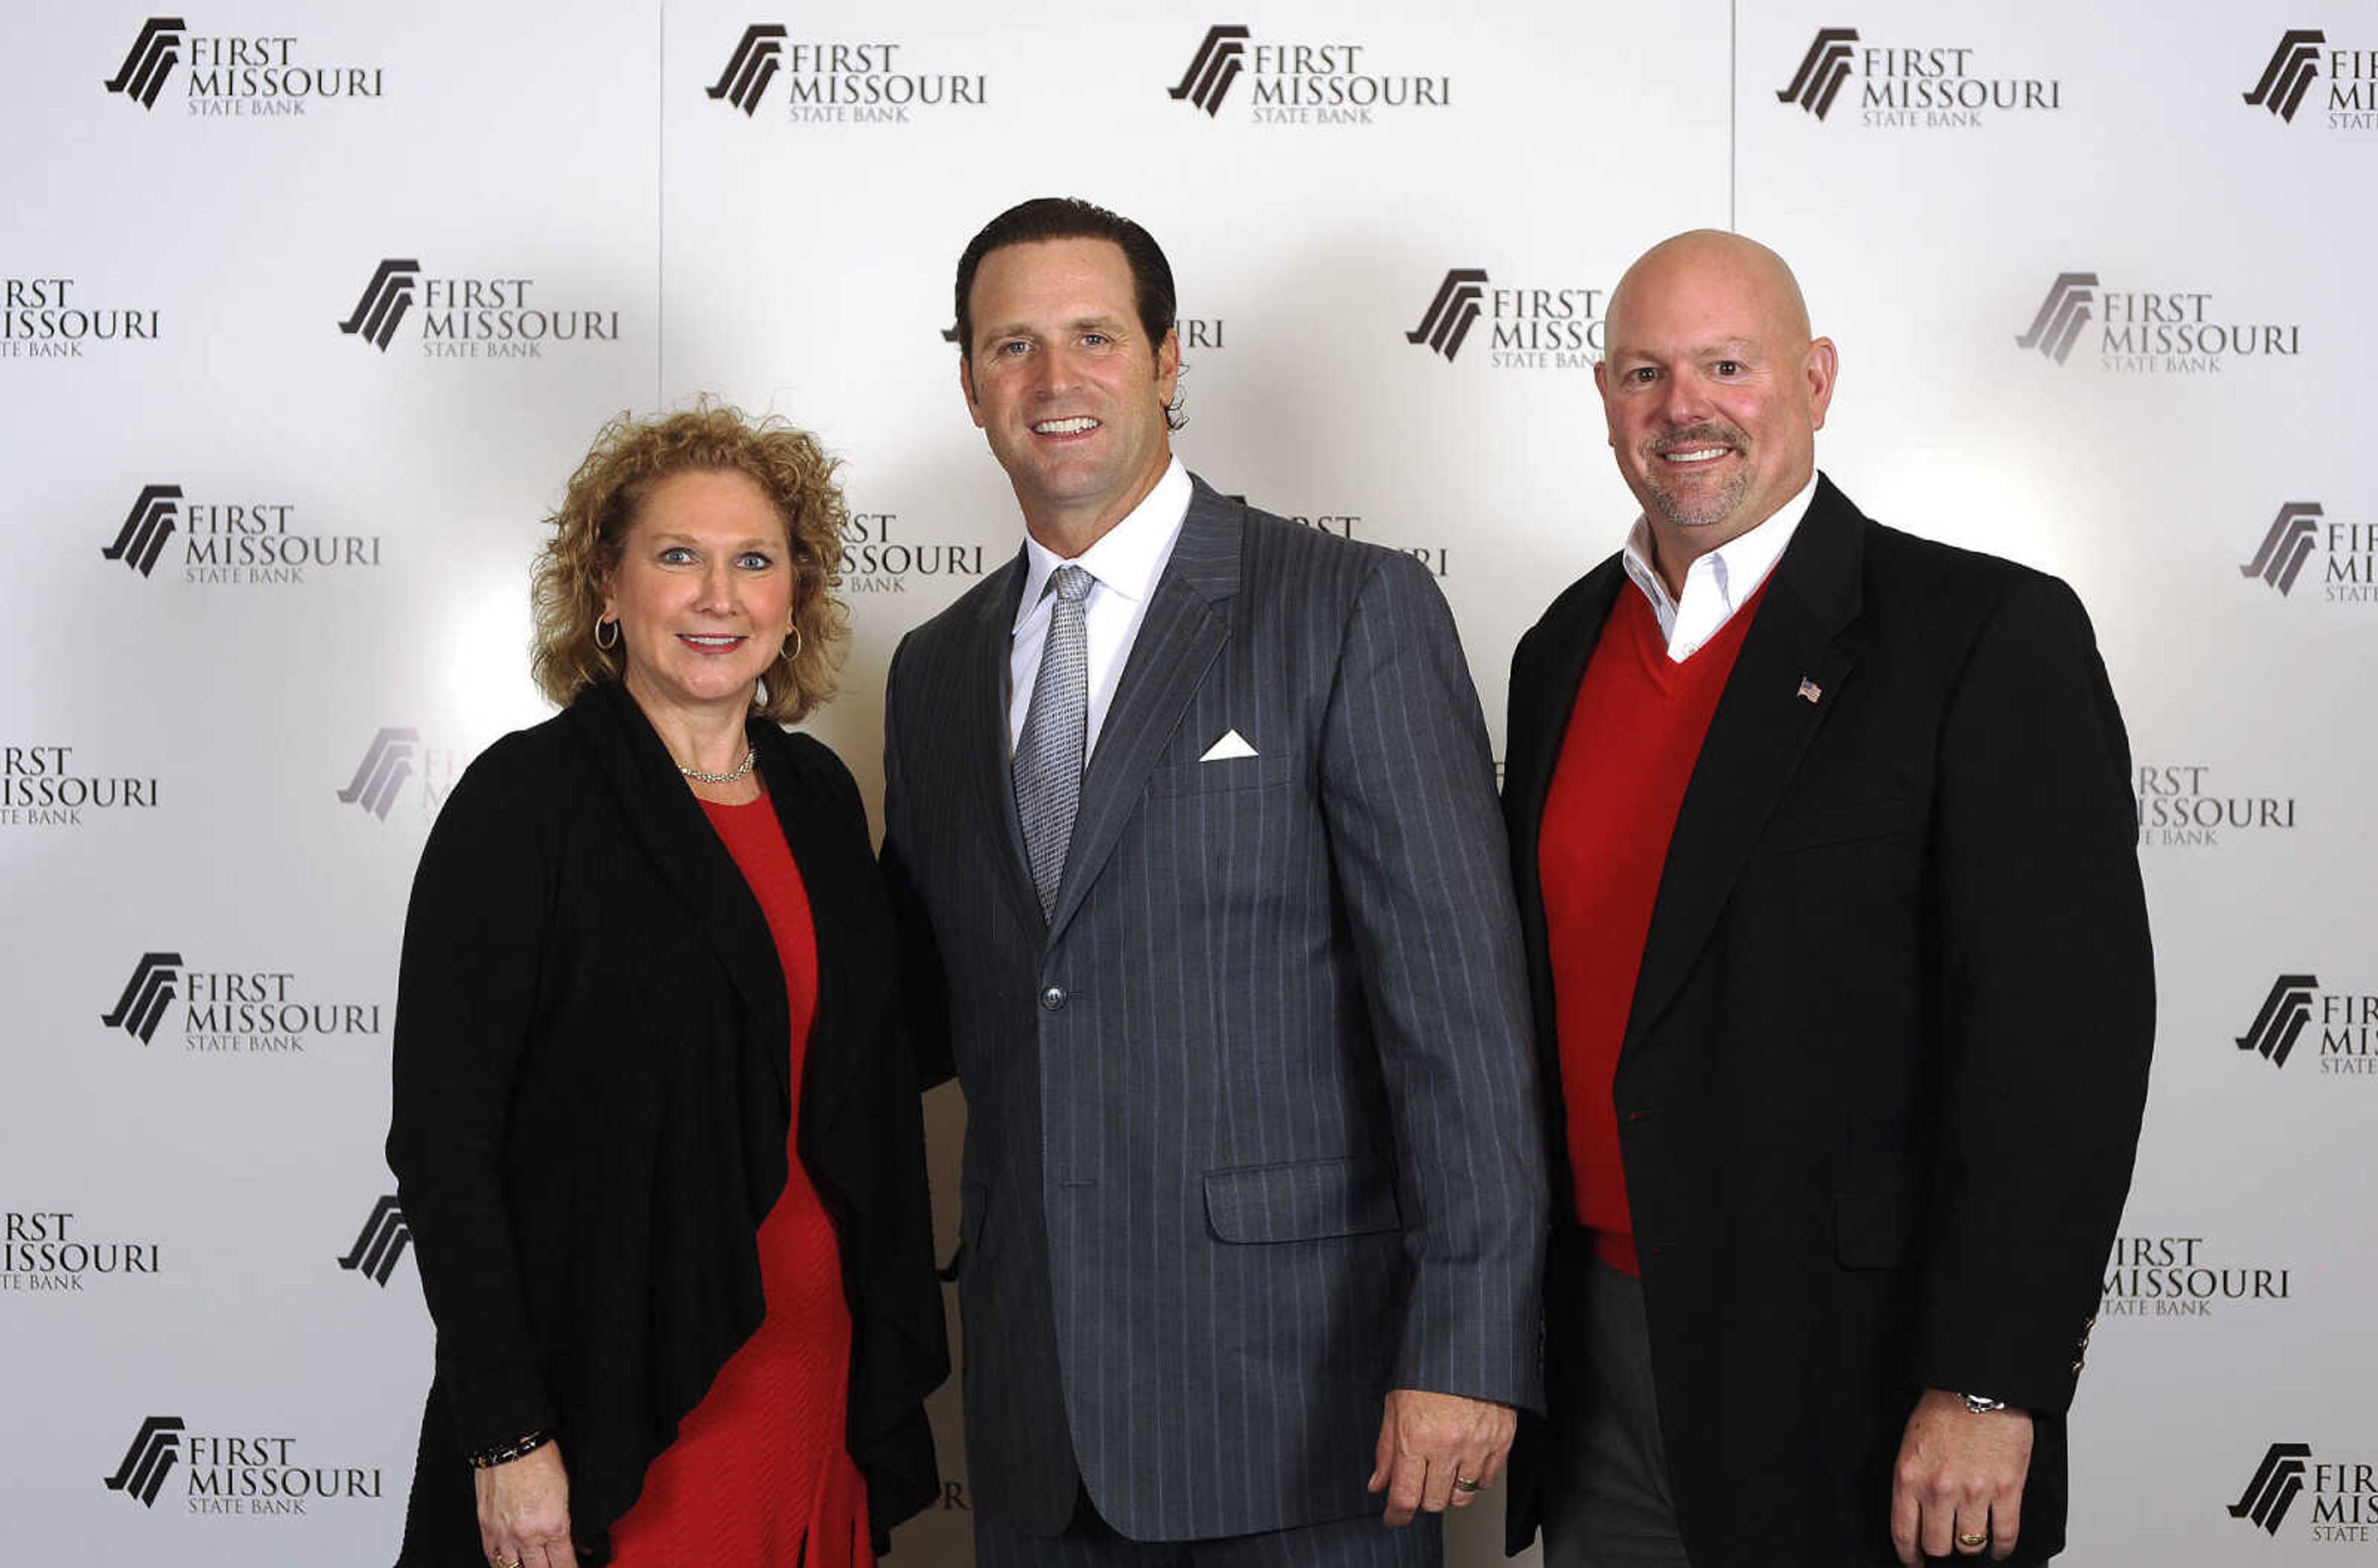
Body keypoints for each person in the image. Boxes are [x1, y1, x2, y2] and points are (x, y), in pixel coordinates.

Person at [879, 196, 1547, 1566]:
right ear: (967, 382)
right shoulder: (935, 669)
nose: (1053, 382)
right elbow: (928, 1008)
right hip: (1036, 1423)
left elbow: (1461, 1023)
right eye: (1011, 346)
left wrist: (1471, 1343)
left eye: (1092, 337)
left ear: (1170, 358)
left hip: (1305, 1416)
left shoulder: (1347, 607)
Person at [1499, 229, 2154, 1568]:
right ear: (1607, 401)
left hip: (1865, 1385)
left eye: (1727, 366)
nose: (1684, 407)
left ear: (1816, 379)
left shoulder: (1982, 636)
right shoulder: (1556, 649)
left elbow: (2062, 1048)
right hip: (1603, 1366)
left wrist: (1990, 1382)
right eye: (1644, 373)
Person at [386, 405, 946, 1568]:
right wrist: (505, 1434)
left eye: (756, 560)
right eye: (677, 556)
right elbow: (445, 1148)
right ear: (607, 585)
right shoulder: (524, 804)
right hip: (623, 1404)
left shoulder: (819, 797)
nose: (718, 597)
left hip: (816, 1387)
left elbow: (883, 1061)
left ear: (797, 595)